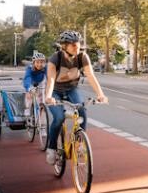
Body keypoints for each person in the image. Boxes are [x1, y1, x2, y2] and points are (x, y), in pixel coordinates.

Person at [44, 30, 108, 165]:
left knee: (83, 112)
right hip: (55, 91)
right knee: (59, 117)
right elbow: (50, 79)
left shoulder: (82, 57)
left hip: (72, 89)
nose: (76, 46)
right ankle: (51, 148)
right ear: (64, 46)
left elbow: (91, 75)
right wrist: (49, 96)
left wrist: (100, 94)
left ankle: (79, 145)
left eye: (77, 43)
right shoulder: (55, 59)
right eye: (72, 44)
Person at [23, 51, 47, 116]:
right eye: (37, 62)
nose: (39, 64)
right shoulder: (30, 68)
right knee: (29, 97)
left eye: (41, 62)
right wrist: (28, 89)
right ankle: (27, 112)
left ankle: (40, 116)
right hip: (31, 83)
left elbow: (49, 76)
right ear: (34, 63)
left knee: (42, 100)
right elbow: (27, 78)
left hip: (40, 83)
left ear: (44, 63)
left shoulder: (45, 68)